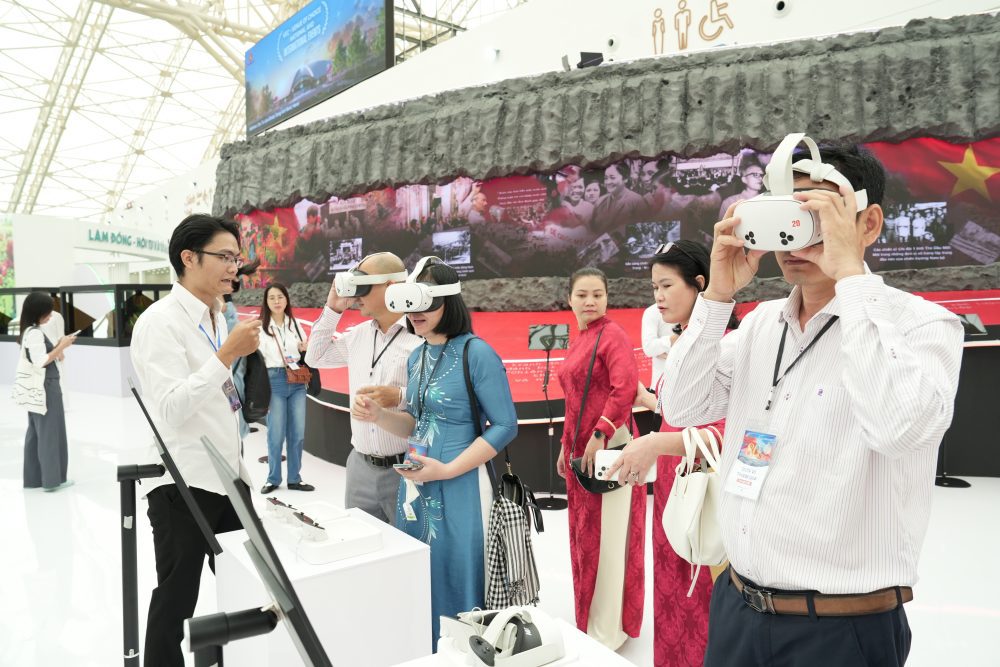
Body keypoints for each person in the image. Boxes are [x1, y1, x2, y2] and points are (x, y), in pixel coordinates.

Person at [661, 145, 963, 666]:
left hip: (842, 629)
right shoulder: (762, 323)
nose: (795, 236)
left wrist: (850, 279)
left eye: (815, 215)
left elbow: (900, 428)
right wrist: (717, 300)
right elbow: (683, 405)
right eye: (784, 215)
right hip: (737, 605)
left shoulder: (922, 326)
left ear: (868, 223)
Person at [352, 258, 517, 648]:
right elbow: (414, 421)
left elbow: (505, 425)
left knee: (460, 572)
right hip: (416, 485)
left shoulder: (477, 353)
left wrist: (447, 470)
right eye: (410, 305)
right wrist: (379, 416)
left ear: (449, 302)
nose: (416, 314)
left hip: (462, 486)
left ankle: (465, 653)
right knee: (422, 568)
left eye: (426, 303)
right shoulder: (418, 355)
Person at [131, 214, 263, 667]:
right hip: (184, 483)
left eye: (236, 258)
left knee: (248, 587)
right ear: (188, 258)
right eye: (224, 256)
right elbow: (171, 408)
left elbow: (217, 395)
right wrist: (226, 355)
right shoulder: (159, 323)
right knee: (176, 602)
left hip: (228, 476)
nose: (234, 267)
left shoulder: (216, 316)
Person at [608, 241, 729, 667]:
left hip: (706, 485)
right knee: (671, 586)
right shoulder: (680, 342)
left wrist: (656, 443)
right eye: (654, 287)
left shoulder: (727, 345)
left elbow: (729, 430)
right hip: (671, 479)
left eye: (666, 285)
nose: (658, 297)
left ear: (700, 284)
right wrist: (650, 401)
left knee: (704, 589)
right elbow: (681, 411)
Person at [555, 268, 645, 651]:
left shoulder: (613, 335)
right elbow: (574, 400)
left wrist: (599, 433)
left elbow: (624, 389)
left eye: (597, 294)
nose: (590, 301)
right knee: (585, 536)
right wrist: (566, 446)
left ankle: (606, 632)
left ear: (607, 297)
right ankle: (589, 620)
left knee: (608, 540)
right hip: (583, 451)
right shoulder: (581, 338)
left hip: (608, 449)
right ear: (570, 299)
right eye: (582, 295)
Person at [305, 252, 422, 522]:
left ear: (391, 286)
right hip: (360, 465)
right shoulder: (358, 336)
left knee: (408, 543)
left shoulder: (419, 338)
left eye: (364, 286)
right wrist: (333, 308)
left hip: (406, 466)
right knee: (360, 539)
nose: (357, 295)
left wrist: (400, 396)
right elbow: (314, 357)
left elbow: (439, 400)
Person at [258, 282, 314, 494]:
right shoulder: (260, 327)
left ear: (286, 299)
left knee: (297, 433)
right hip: (274, 381)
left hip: (297, 381)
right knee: (276, 433)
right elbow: (256, 358)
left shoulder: (295, 325)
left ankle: (294, 478)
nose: (276, 301)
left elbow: (304, 351)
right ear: (266, 302)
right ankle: (273, 478)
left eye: (280, 297)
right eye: (272, 297)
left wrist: (303, 348)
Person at [19, 291, 76, 491]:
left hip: (36, 387)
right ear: (38, 312)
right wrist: (62, 346)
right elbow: (41, 361)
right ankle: (52, 481)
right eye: (48, 312)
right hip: (46, 387)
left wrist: (58, 347)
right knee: (51, 432)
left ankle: (34, 479)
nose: (51, 316)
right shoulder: (35, 333)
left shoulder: (29, 331)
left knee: (36, 433)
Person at [592, 164, 644, 236]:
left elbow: (640, 231)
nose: (608, 182)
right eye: (606, 178)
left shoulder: (637, 201)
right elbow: (592, 228)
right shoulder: (600, 201)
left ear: (625, 179)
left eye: (612, 178)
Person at [718, 152, 765, 218]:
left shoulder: (767, 200)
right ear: (744, 179)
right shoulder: (730, 203)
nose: (760, 178)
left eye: (762, 175)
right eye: (755, 175)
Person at [641, 301, 674, 389]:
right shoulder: (652, 312)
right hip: (660, 385)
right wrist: (673, 339)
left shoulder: (695, 309)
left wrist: (662, 350)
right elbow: (649, 347)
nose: (659, 296)